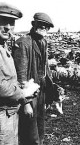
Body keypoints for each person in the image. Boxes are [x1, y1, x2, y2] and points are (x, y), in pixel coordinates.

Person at [12, 12, 56, 145]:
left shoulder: (43, 42)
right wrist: (25, 102)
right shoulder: (23, 43)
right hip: (29, 94)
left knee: (40, 129)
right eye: (41, 24)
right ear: (33, 24)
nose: (44, 28)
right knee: (30, 134)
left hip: (41, 93)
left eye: (47, 26)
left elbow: (46, 70)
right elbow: (21, 76)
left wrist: (51, 93)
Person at [0, 2, 39, 145]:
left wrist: (24, 89)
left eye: (11, 23)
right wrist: (23, 93)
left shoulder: (4, 47)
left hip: (9, 114)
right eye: (2, 22)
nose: (7, 27)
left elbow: (8, 79)